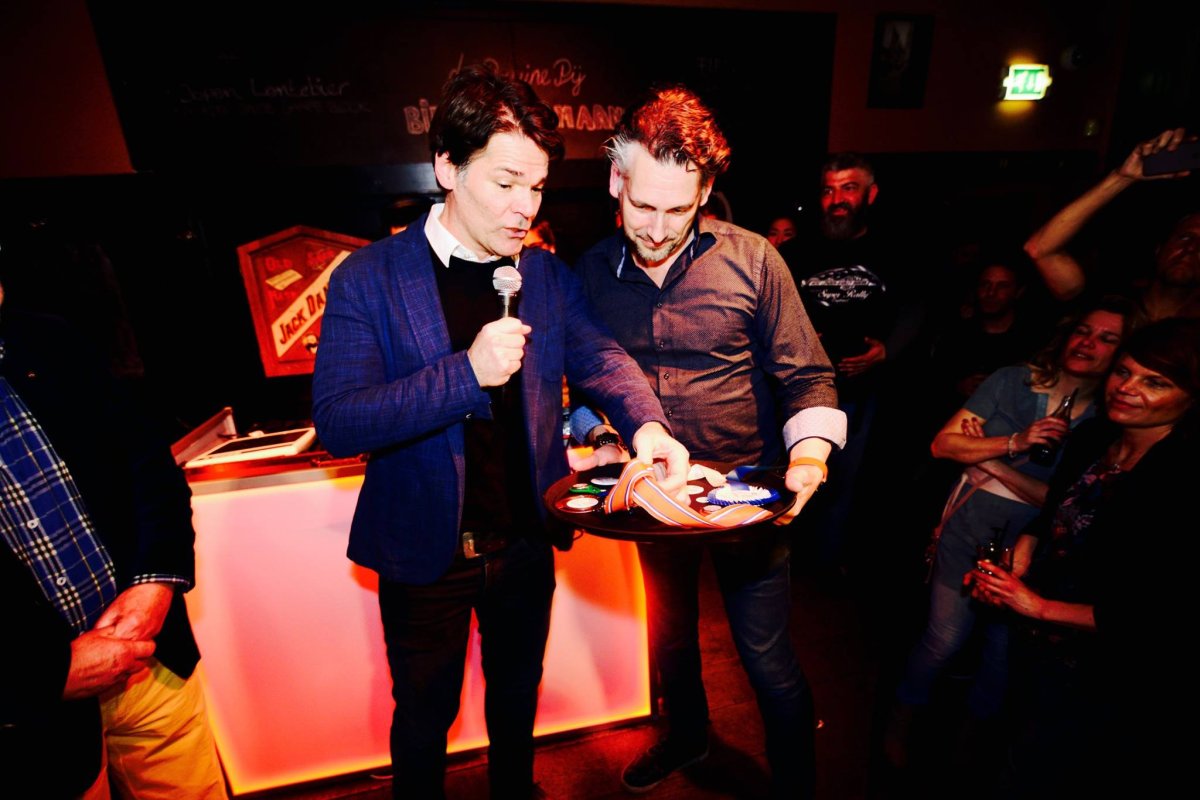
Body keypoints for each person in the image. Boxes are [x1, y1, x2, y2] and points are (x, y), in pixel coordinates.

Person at [310, 65, 688, 800]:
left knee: (517, 700)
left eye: (537, 187)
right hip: (425, 553)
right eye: (506, 182)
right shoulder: (369, 277)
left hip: (523, 542)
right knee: (425, 716)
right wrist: (466, 374)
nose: (525, 207)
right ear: (447, 167)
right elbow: (341, 419)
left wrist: (648, 424)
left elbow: (601, 358)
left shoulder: (543, 275)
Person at [572, 85, 845, 798]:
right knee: (669, 639)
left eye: (679, 209)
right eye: (643, 206)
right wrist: (601, 437)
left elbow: (808, 373)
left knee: (765, 657)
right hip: (654, 497)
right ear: (616, 180)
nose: (659, 230)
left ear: (706, 192)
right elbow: (583, 382)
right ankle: (689, 737)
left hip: (748, 496)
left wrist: (810, 457)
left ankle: (796, 786)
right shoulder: (590, 273)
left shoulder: (754, 259)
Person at [884, 297, 1131, 771]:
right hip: (969, 529)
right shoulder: (1012, 380)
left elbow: (1062, 504)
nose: (1088, 343)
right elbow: (943, 445)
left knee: (1001, 655)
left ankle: (967, 753)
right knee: (944, 640)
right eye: (1084, 330)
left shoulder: (1106, 423)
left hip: (1034, 552)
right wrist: (1015, 441)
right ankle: (900, 722)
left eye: (1107, 339)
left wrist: (990, 462)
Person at [0, 289, 226, 798]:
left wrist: (156, 583)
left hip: (148, 662)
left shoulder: (48, 337)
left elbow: (149, 465)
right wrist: (42, 678)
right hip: (30, 723)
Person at [970, 317, 1200, 796]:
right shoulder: (1094, 437)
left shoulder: (1183, 482)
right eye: (1124, 372)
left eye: (1156, 382)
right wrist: (1022, 557)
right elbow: (1055, 512)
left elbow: (1160, 615)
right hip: (1039, 644)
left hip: (1109, 672)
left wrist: (1038, 607)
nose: (1127, 388)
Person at [778, 153, 923, 573]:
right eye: (828, 190)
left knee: (846, 484)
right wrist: (801, 341)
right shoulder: (796, 252)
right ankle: (783, 564)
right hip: (798, 391)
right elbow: (771, 309)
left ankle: (826, 572)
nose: (837, 199)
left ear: (870, 194)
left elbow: (918, 308)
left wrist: (886, 350)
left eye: (849, 188)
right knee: (791, 476)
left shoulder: (895, 250)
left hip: (864, 392)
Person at [1023, 127, 1198, 323]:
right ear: (1159, 249)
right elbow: (1040, 249)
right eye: (1185, 237)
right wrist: (1122, 178)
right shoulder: (1106, 300)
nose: (1191, 249)